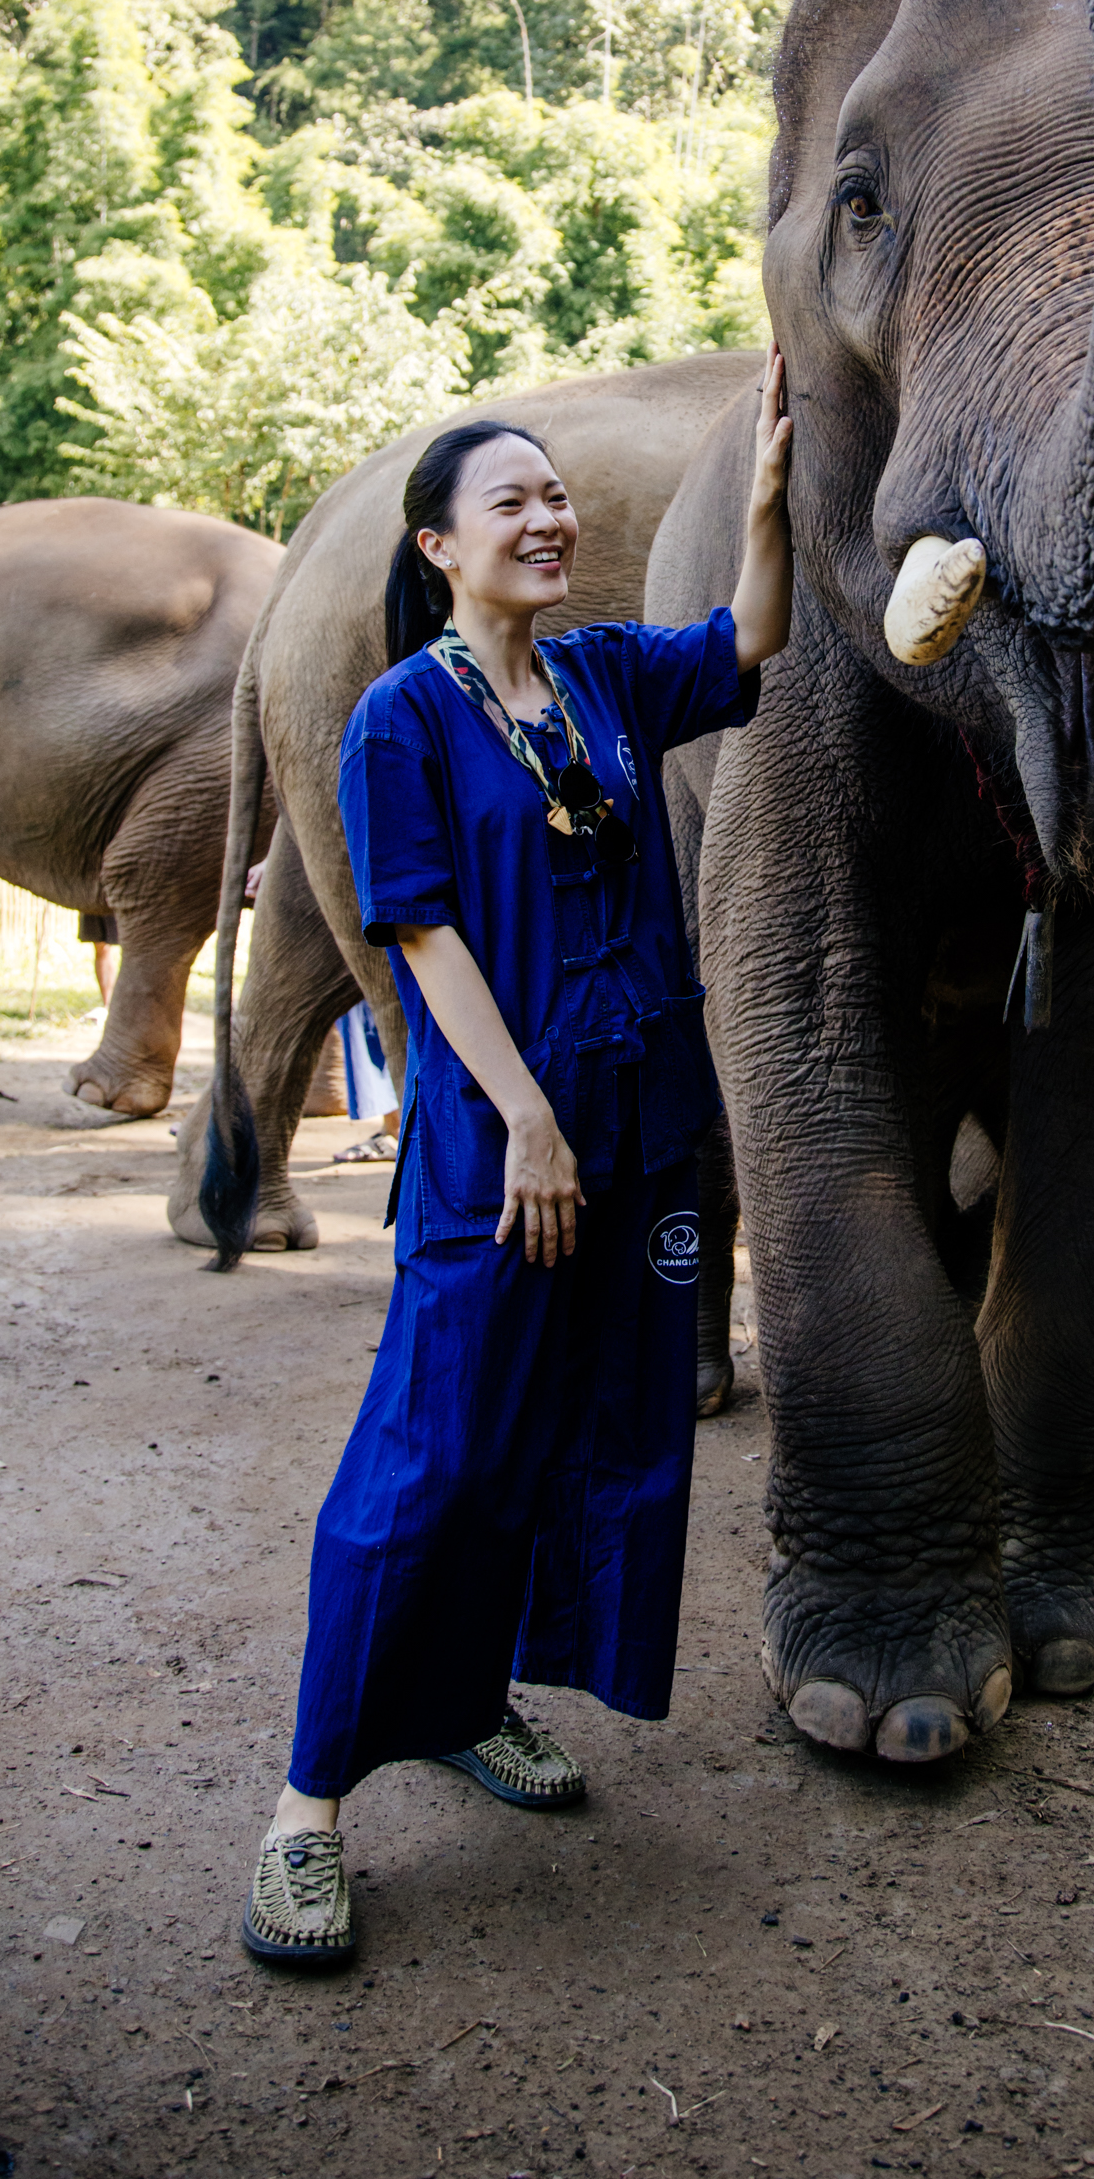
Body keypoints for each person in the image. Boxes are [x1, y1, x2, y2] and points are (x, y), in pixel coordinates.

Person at [241, 347, 794, 1966]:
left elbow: (749, 641)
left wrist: (762, 506)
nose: (549, 518)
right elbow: (417, 932)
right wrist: (526, 1117)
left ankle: (475, 1704)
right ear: (439, 547)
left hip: (637, 1127)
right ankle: (305, 1816)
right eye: (514, 502)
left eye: (556, 495)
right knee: (431, 1455)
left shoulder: (609, 676)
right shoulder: (403, 722)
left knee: (577, 1431)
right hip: (509, 1146)